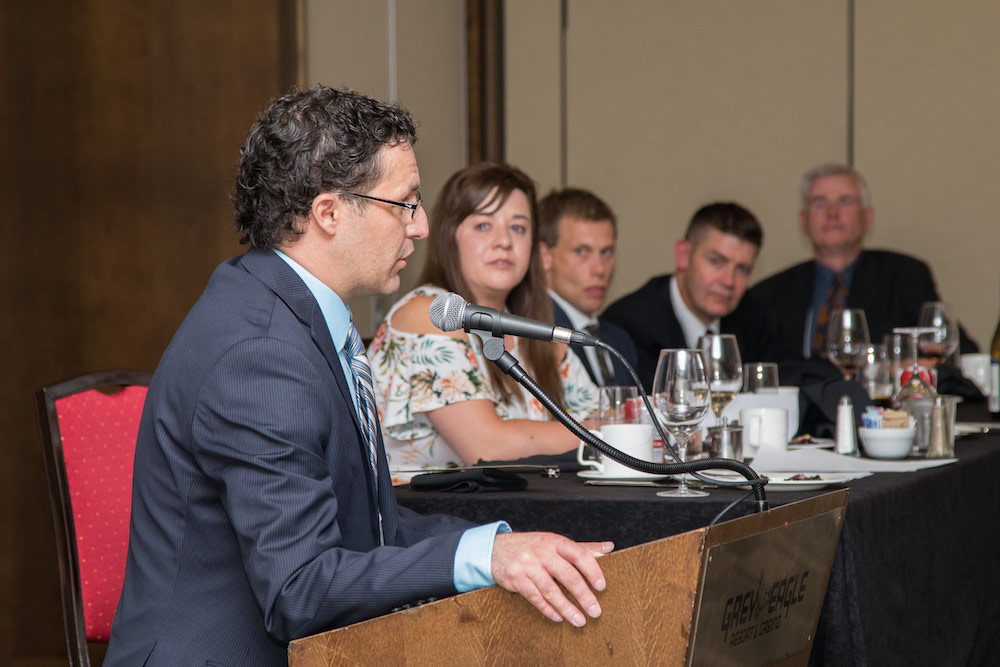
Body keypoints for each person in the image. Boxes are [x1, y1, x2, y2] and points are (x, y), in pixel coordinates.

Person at [105, 88, 611, 666]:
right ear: (329, 213)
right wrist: (483, 559)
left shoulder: (295, 310)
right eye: (405, 203)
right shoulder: (261, 352)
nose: (421, 227)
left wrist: (497, 545)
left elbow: (370, 527)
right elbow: (300, 588)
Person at [370, 163, 599, 482]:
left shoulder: (536, 335)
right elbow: (487, 448)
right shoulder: (429, 314)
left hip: (520, 508)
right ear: (450, 237)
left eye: (518, 228)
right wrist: (608, 434)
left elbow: (606, 413)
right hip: (420, 512)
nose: (503, 241)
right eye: (483, 226)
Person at [749, 163, 978, 363]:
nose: (832, 213)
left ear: (867, 217)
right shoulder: (769, 294)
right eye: (819, 203)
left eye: (845, 202)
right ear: (803, 221)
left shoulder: (905, 276)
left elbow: (959, 355)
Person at [602, 202, 779, 391]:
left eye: (742, 269)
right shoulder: (630, 325)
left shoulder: (754, 317)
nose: (728, 281)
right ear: (683, 255)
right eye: (716, 261)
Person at [537, 187, 639, 387]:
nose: (599, 269)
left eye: (606, 252)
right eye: (581, 251)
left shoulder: (619, 340)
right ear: (544, 256)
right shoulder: (534, 335)